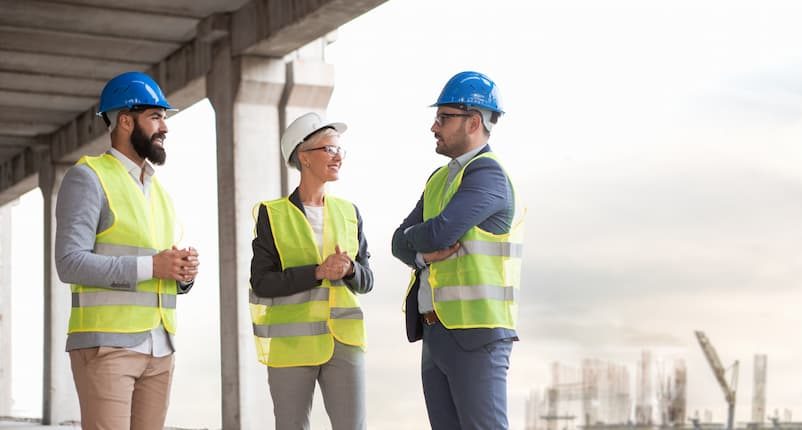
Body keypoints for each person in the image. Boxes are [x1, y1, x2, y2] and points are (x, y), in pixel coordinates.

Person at [54, 71, 200, 430]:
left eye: (164, 117)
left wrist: (182, 273)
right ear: (125, 121)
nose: (164, 127)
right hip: (108, 348)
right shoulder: (89, 178)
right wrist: (154, 267)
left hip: (160, 348)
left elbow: (159, 266)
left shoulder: (159, 192)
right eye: (155, 116)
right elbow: (69, 263)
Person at [391, 71, 524, 430]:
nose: (434, 127)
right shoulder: (439, 178)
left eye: (444, 117)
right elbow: (397, 242)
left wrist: (417, 237)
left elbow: (441, 232)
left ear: (474, 122)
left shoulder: (488, 175)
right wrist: (421, 253)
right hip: (436, 332)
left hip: (477, 334)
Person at [249, 112, 374, 430]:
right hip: (292, 346)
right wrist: (318, 272)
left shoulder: (349, 212)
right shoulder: (272, 215)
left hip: (344, 342)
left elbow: (367, 280)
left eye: (339, 149)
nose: (338, 157)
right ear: (304, 157)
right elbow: (262, 283)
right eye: (329, 149)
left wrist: (349, 269)